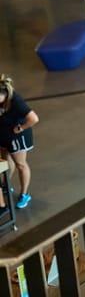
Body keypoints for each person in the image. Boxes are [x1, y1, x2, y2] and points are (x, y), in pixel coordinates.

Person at [0, 75, 39, 209]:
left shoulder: (16, 101)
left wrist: (20, 128)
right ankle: (6, 185)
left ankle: (25, 194)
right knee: (6, 162)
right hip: (4, 135)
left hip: (17, 136)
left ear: (3, 94)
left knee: (20, 164)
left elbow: (33, 118)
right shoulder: (2, 100)